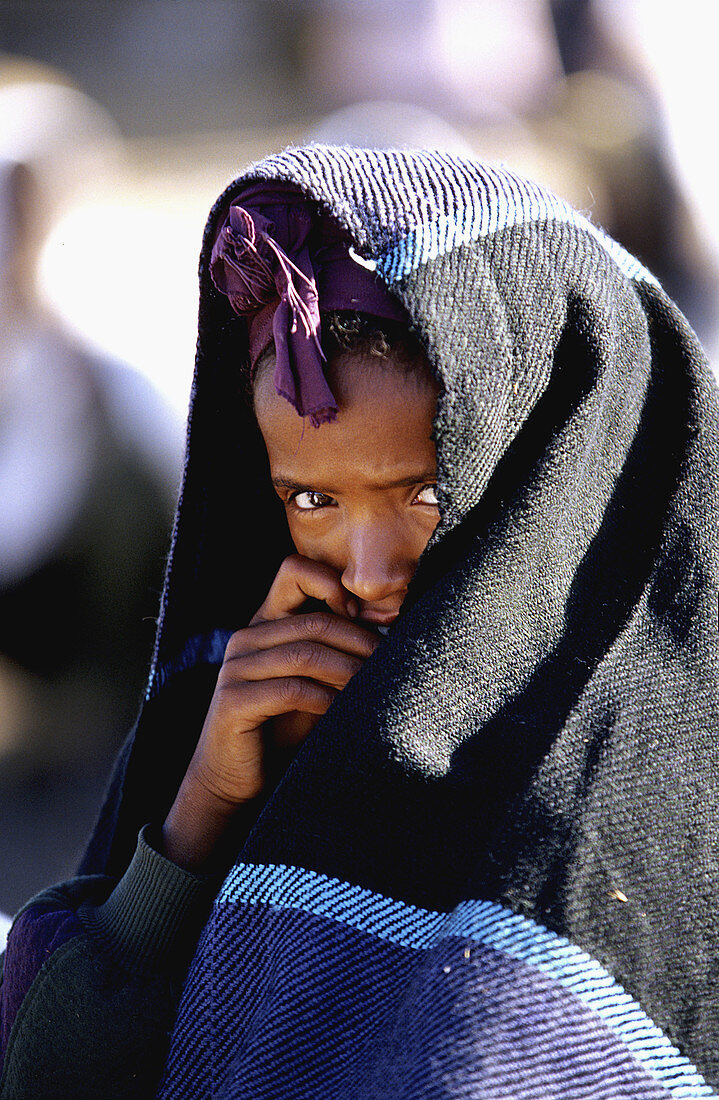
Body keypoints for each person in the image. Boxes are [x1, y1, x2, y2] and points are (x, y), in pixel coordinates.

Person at [1, 145, 717, 1098]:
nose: (369, 571)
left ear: (551, 471)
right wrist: (202, 816)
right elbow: (56, 1075)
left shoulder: (642, 801)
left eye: (423, 491)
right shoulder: (283, 740)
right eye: (309, 500)